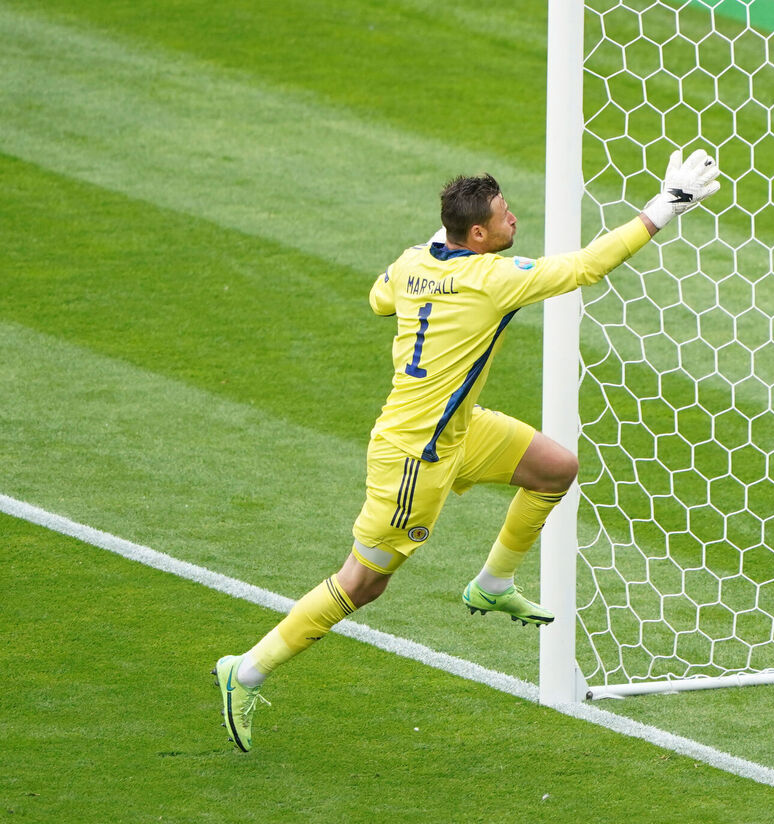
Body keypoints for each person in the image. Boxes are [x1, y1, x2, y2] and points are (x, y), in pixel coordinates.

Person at [212, 148, 721, 751]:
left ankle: (493, 583)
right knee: (363, 582)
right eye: (504, 215)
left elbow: (379, 299)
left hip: (460, 428)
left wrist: (433, 261)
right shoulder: (494, 279)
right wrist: (667, 205)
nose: (514, 219)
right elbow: (587, 266)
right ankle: (246, 671)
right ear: (477, 234)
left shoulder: (413, 261)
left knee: (555, 468)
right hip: (414, 456)